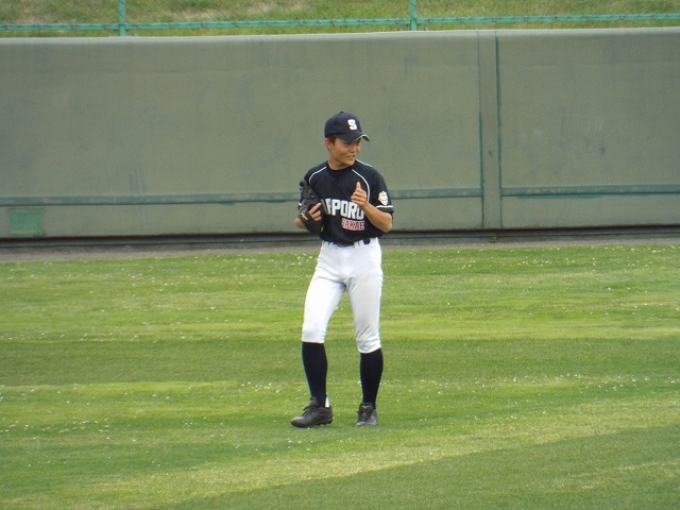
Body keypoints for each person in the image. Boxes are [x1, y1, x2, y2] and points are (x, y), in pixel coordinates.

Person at [291, 112, 394, 428]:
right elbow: (303, 219)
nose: (354, 148)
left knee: (367, 336)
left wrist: (366, 206)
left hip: (364, 257)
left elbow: (387, 224)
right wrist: (306, 219)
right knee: (311, 328)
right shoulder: (316, 177)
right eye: (347, 142)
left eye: (358, 142)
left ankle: (368, 407)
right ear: (329, 143)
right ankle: (319, 406)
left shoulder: (369, 177)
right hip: (330, 257)